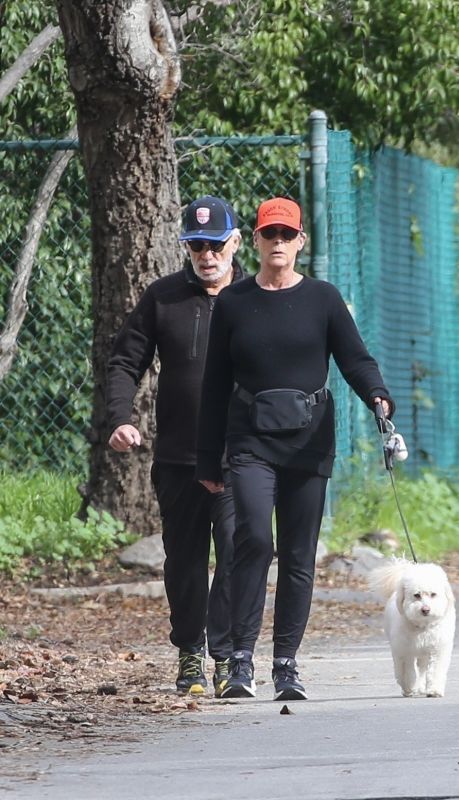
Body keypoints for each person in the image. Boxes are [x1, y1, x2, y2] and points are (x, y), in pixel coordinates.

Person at [196, 197, 395, 701]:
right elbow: (215, 384)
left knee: (300, 554)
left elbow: (355, 359)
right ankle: (240, 661)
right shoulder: (234, 303)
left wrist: (378, 396)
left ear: (301, 241)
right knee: (255, 540)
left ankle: (286, 663)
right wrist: (206, 458)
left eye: (287, 235)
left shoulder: (323, 299)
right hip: (250, 440)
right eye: (270, 235)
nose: (278, 243)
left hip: (309, 442)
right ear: (255, 241)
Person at [107, 195, 244, 697]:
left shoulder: (252, 297)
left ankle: (230, 657)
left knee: (236, 554)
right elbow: (125, 362)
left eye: (214, 245)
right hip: (179, 457)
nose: (206, 256)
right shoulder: (163, 297)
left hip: (240, 457)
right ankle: (191, 655)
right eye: (196, 247)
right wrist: (121, 418)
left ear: (234, 242)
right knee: (184, 562)